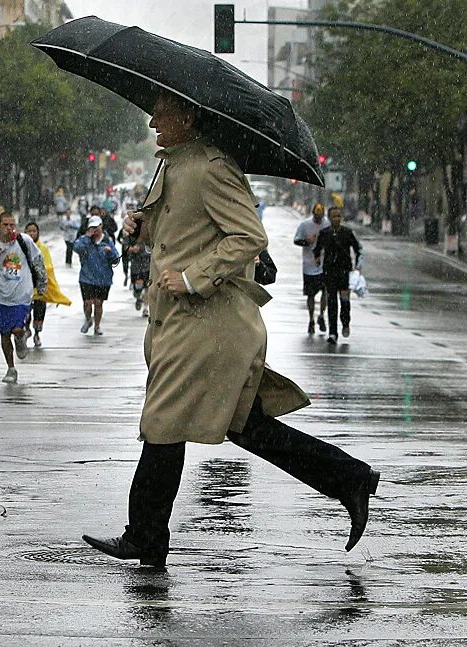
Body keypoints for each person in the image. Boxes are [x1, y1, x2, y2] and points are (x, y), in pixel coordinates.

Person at [82, 91, 379, 569]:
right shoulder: (173, 166)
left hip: (207, 324)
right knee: (244, 426)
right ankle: (349, 478)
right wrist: (141, 227)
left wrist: (193, 277)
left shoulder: (211, 166)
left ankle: (145, 537)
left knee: (163, 425)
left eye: (161, 110)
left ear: (188, 114)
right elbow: (181, 233)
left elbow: (248, 236)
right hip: (181, 322)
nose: (153, 118)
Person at [0, 212, 46, 383]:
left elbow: (38, 260)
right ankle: (11, 368)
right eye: (6, 225)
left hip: (23, 294)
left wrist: (42, 283)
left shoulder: (24, 241)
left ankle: (21, 336)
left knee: (16, 328)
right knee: (4, 334)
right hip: (2, 296)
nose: (10, 229)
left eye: (12, 225)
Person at [313, 206, 363, 344]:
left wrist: (358, 266)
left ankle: (345, 323)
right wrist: (317, 258)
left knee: (345, 301)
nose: (336, 219)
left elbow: (358, 249)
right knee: (332, 302)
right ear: (329, 218)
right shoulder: (324, 233)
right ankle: (333, 332)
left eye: (338, 216)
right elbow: (317, 249)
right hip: (329, 271)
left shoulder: (347, 233)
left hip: (344, 271)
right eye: (334, 216)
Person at [23, 221, 71, 347]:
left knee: (39, 312)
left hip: (39, 286)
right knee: (24, 312)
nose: (32, 233)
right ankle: (26, 329)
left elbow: (48, 267)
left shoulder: (42, 248)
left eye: (34, 231)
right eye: (29, 231)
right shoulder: (21, 247)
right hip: (25, 286)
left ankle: (37, 333)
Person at [73, 215, 120, 336]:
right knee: (88, 303)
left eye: (97, 227)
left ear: (101, 226)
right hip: (86, 277)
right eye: (92, 227)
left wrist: (110, 252)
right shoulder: (84, 240)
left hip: (103, 279)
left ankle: (97, 326)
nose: (95, 230)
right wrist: (87, 237)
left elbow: (116, 259)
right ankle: (88, 319)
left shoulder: (107, 241)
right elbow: (76, 248)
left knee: (98, 303)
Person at [294, 203, 330, 335]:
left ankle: (321, 315)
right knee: (310, 295)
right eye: (317, 216)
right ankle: (311, 319)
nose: (319, 219)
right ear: (313, 214)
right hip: (309, 265)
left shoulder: (327, 225)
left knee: (325, 291)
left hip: (324, 265)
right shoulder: (305, 225)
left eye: (321, 216)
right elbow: (296, 240)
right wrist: (306, 242)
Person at [128, 240, 152, 317]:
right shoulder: (133, 235)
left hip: (147, 268)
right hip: (136, 269)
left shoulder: (149, 234)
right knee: (137, 290)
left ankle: (145, 309)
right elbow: (125, 248)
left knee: (147, 289)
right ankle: (138, 298)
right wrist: (131, 249)